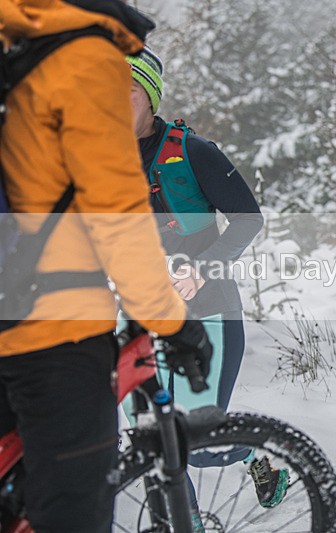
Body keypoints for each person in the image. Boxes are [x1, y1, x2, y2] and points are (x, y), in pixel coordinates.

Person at [0, 1, 212, 532]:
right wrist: (172, 320)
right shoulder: (82, 60)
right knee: (71, 511)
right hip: (50, 328)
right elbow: (117, 216)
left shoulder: (14, 47)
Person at [126, 47, 287, 512]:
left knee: (198, 445)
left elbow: (247, 219)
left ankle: (257, 455)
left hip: (208, 313)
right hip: (137, 322)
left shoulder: (192, 152)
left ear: (150, 97)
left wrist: (202, 268)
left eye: (128, 89)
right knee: (152, 445)